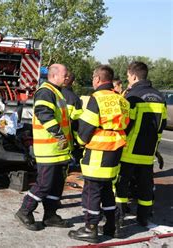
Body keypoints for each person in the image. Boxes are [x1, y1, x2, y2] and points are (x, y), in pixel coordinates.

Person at [68, 65, 130, 243]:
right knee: (106, 190)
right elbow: (128, 124)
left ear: (97, 79)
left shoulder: (97, 98)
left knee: (91, 191)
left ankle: (91, 228)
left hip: (98, 151)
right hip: (116, 150)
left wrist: (80, 142)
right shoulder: (121, 100)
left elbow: (86, 128)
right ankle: (112, 226)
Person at [15, 64, 72, 231]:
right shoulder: (46, 91)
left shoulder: (56, 92)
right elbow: (43, 114)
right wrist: (60, 135)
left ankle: (50, 216)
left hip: (59, 151)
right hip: (49, 149)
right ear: (54, 75)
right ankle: (25, 211)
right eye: (65, 74)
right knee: (44, 184)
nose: (67, 76)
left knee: (56, 185)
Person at [115, 61, 167, 227]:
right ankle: (143, 218)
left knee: (121, 186)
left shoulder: (132, 96)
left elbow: (125, 124)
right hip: (147, 153)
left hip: (129, 151)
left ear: (134, 76)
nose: (128, 79)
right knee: (145, 187)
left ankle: (119, 217)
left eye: (128, 76)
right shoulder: (160, 97)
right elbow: (162, 126)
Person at [61, 71, 83, 163]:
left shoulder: (52, 94)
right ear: (73, 82)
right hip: (67, 141)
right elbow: (76, 123)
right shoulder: (74, 98)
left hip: (48, 140)